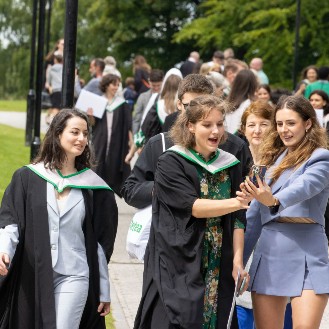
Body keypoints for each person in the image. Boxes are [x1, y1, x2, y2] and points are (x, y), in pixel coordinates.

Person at [134, 95, 250, 329]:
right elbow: (194, 207)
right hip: (180, 260)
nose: (215, 131)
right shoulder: (170, 162)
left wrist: (238, 261)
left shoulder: (230, 163)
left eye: (219, 123)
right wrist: (238, 202)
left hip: (220, 259)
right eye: (207, 125)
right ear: (190, 126)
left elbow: (238, 220)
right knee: (179, 320)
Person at [0, 109, 118, 328]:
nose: (82, 139)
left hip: (75, 274)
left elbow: (101, 245)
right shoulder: (27, 178)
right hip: (33, 273)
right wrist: (3, 250)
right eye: (75, 132)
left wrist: (103, 287)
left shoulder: (94, 187)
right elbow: (10, 221)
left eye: (85, 134)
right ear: (57, 134)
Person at [243, 95, 329, 329]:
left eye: (291, 123)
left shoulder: (321, 158)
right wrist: (239, 263)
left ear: (308, 123)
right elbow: (252, 218)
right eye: (279, 124)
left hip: (309, 251)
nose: (284, 130)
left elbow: (305, 188)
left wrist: (274, 200)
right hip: (270, 250)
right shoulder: (268, 160)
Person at [122, 74, 252, 210]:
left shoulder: (234, 146)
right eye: (190, 106)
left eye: (204, 105)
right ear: (179, 104)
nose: (196, 113)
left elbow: (246, 199)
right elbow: (130, 190)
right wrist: (162, 188)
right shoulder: (159, 144)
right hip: (172, 228)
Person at [89, 74, 132, 197]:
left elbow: (128, 126)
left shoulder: (122, 103)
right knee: (98, 164)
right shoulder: (98, 101)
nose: (116, 87)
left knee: (113, 166)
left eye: (118, 85)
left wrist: (132, 144)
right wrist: (90, 115)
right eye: (114, 84)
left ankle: (109, 193)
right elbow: (92, 124)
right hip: (100, 140)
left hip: (116, 142)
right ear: (106, 85)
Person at [225, 69, 258, 134]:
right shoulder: (250, 104)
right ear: (253, 84)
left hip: (227, 139)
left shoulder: (228, 103)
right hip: (239, 140)